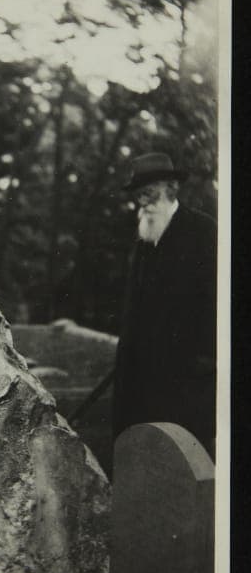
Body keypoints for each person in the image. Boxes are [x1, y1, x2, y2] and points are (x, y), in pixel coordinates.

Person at [112, 152, 217, 459]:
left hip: (184, 381)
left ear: (172, 189)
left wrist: (205, 361)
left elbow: (216, 305)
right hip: (141, 381)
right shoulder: (144, 236)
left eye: (149, 192)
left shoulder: (203, 231)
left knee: (180, 469)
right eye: (139, 194)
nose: (142, 201)